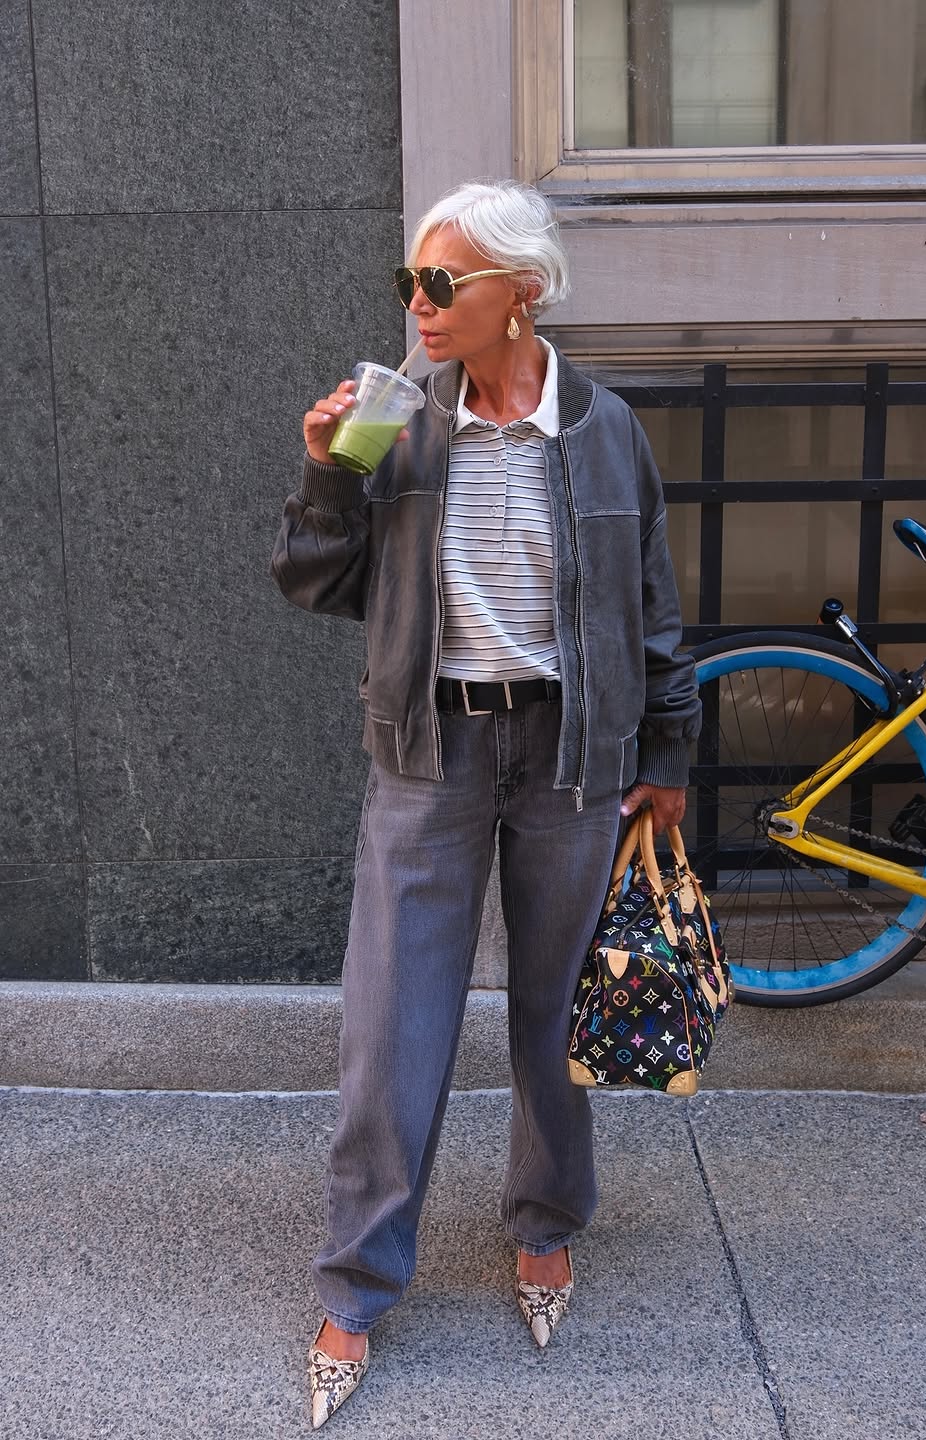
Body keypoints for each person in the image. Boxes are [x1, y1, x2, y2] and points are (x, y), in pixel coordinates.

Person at [271, 179, 701, 1429]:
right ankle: (356, 1283)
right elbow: (313, 582)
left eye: (443, 284)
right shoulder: (400, 423)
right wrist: (325, 476)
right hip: (428, 752)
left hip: (571, 752)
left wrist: (667, 752)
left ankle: (547, 1223)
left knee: (557, 1014)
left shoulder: (607, 429)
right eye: (410, 283)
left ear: (524, 291)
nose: (420, 304)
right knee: (390, 1029)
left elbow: (652, 604)